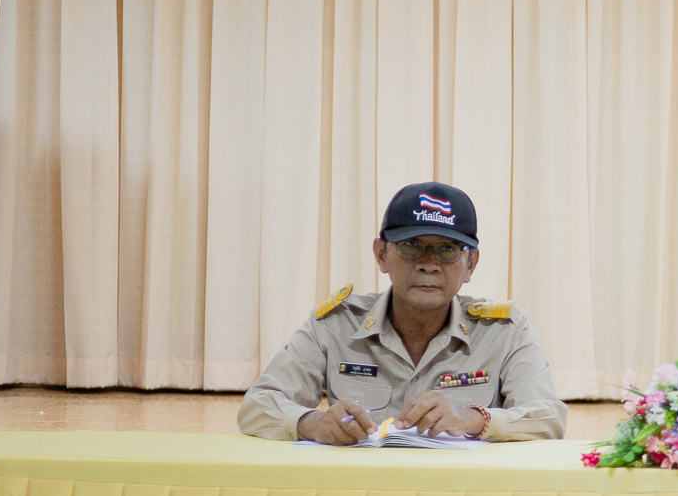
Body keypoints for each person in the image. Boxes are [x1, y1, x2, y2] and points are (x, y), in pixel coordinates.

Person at [240, 182, 568, 443]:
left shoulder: (504, 331)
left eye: (447, 249)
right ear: (381, 255)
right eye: (411, 246)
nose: (428, 264)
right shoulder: (336, 324)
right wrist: (313, 423)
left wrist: (470, 418)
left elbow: (548, 417)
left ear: (471, 264)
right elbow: (257, 405)